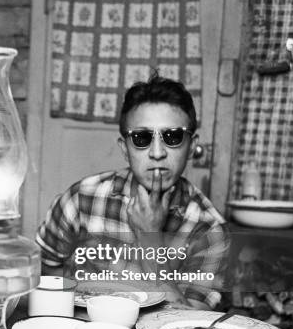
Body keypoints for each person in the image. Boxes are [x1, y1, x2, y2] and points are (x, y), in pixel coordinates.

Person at [36, 74, 229, 310]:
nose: (157, 153)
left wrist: (150, 237)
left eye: (173, 137)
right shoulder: (81, 199)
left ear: (190, 147)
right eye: (141, 138)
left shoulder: (210, 230)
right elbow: (47, 267)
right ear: (125, 150)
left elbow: (190, 325)